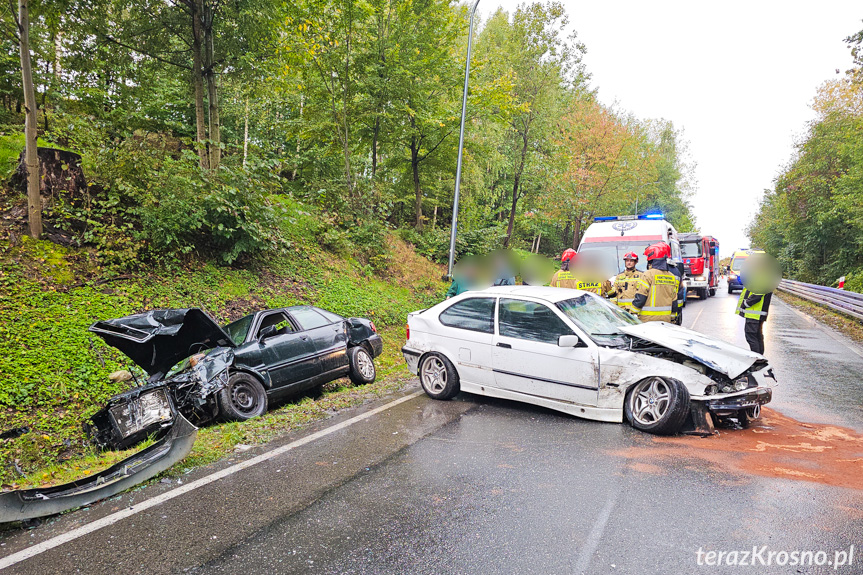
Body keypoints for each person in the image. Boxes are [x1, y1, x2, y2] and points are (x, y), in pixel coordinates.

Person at [735, 253, 780, 354]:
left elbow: (757, 295)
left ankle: (757, 360)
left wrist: (745, 304)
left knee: (751, 336)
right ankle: (760, 358)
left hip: (754, 312)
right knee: (757, 336)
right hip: (757, 313)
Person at [631, 242, 683, 322]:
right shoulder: (672, 277)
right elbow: (674, 301)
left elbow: (641, 297)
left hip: (648, 320)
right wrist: (672, 318)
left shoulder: (648, 274)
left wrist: (631, 313)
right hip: (666, 320)